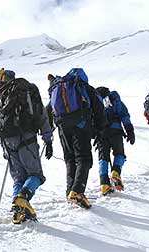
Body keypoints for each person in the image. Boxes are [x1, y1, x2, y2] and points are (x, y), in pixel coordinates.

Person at [0, 77, 53, 224]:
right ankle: (21, 199)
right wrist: (48, 140)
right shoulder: (31, 93)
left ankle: (17, 210)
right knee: (36, 175)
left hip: (7, 140)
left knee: (19, 177)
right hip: (26, 138)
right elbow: (42, 117)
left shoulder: (7, 94)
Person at [48, 68, 106, 209]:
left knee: (70, 158)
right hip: (80, 124)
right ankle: (78, 191)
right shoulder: (85, 87)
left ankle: (70, 191)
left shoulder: (59, 87)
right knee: (83, 158)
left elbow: (48, 110)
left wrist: (48, 131)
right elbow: (99, 108)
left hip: (62, 126)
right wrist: (99, 130)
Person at [94, 86, 135, 195]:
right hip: (115, 131)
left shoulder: (94, 101)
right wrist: (129, 130)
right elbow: (124, 115)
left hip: (101, 133)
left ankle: (104, 184)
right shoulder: (114, 99)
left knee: (103, 158)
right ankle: (115, 172)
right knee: (119, 154)